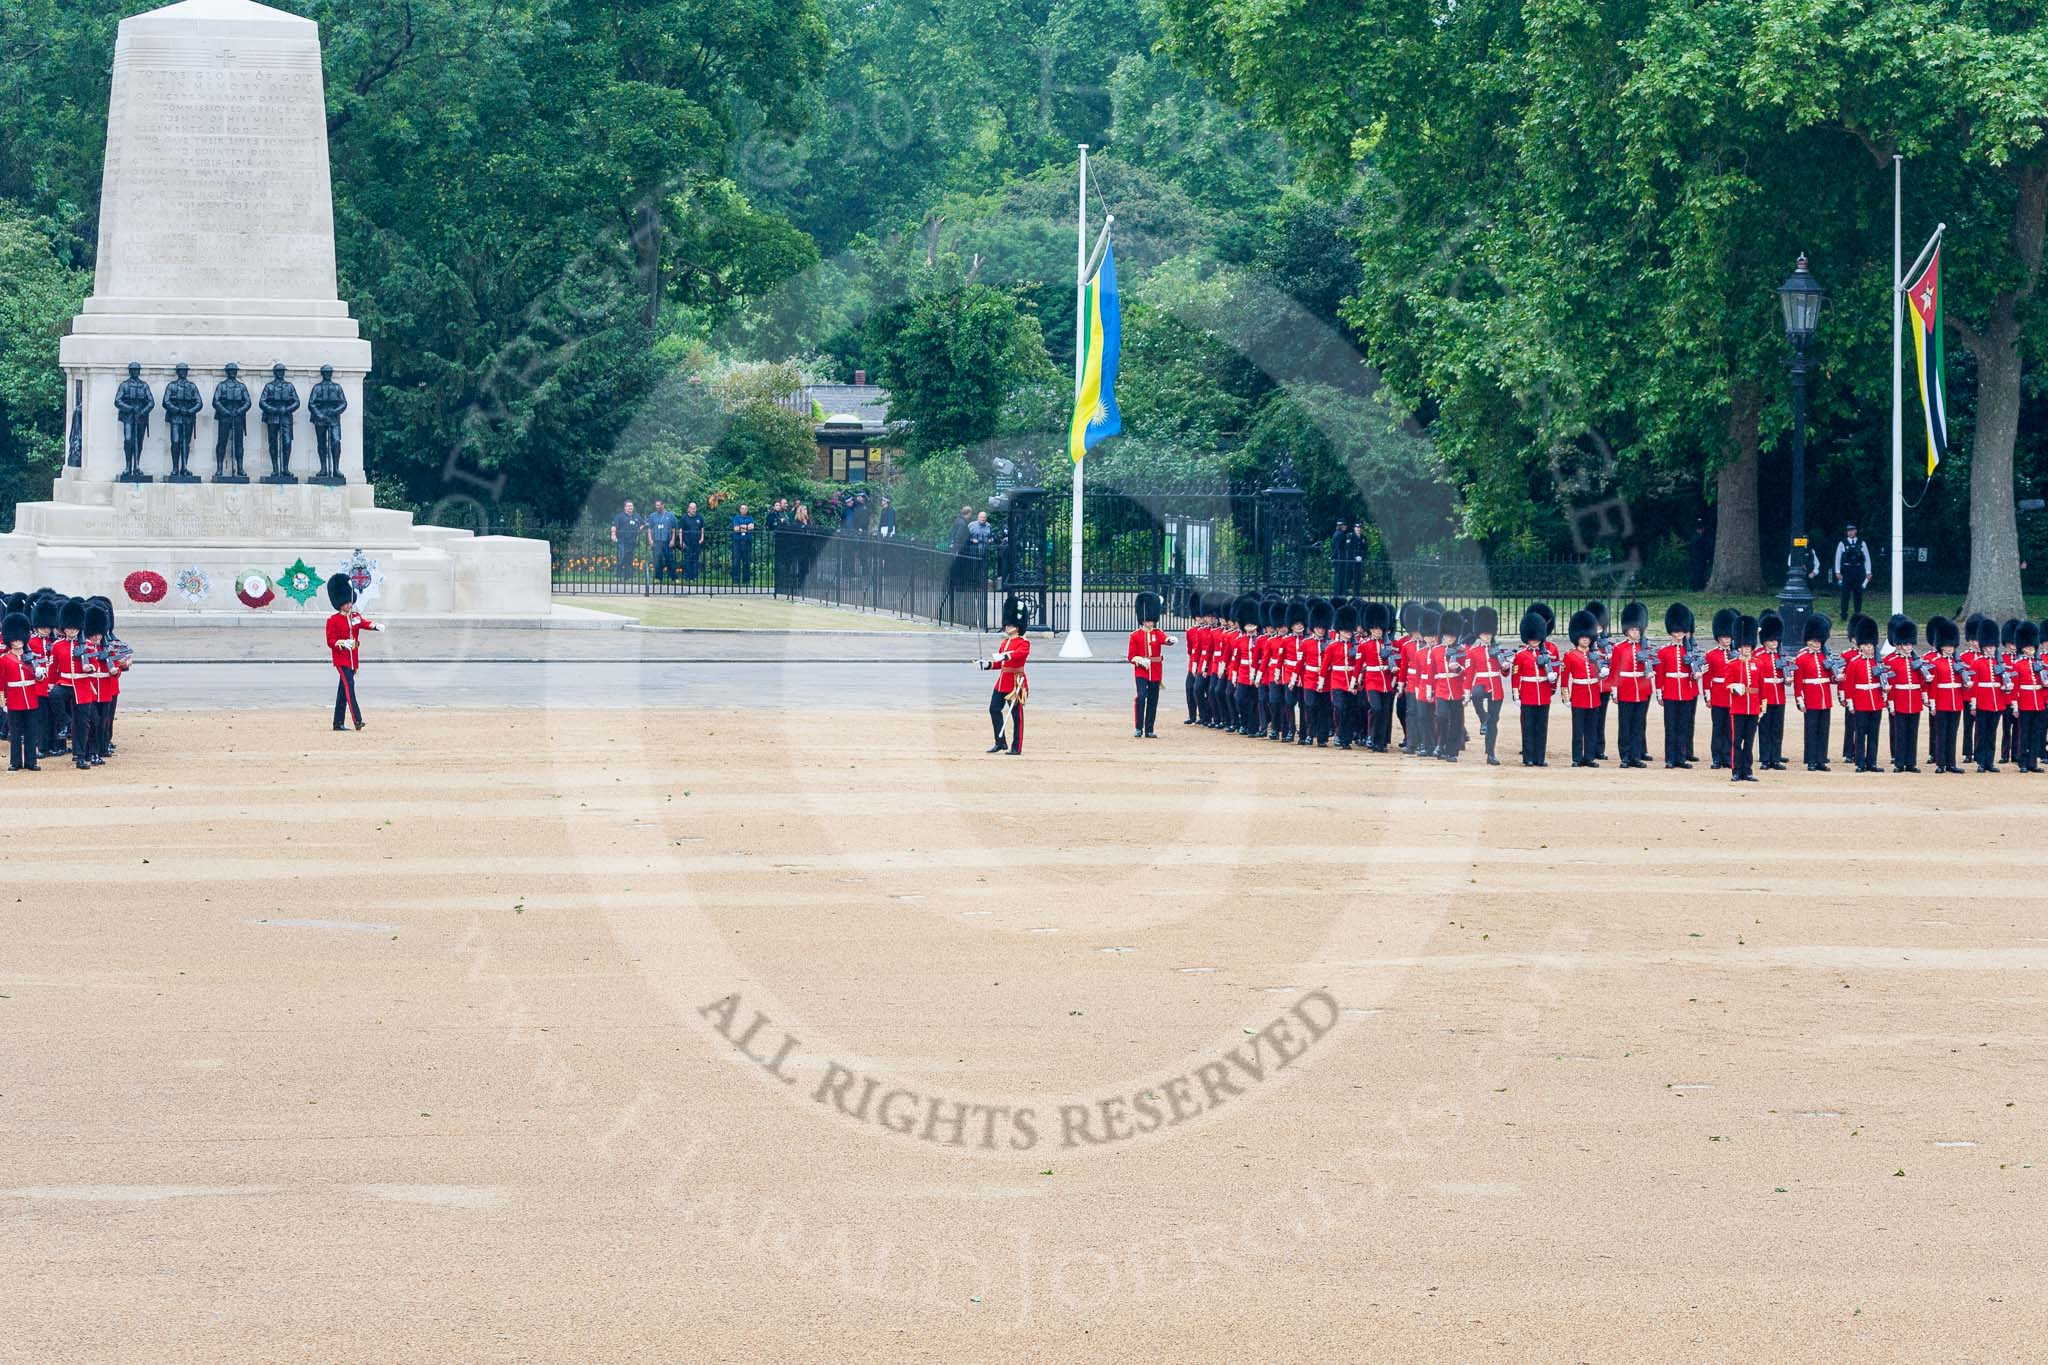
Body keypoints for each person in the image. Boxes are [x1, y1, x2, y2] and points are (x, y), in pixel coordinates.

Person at [326, 572, 380, 732]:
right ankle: (357, 720)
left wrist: (376, 626)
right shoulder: (333, 620)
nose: (349, 605)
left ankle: (338, 723)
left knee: (343, 692)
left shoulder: (354, 616)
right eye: (346, 603)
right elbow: (330, 641)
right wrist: (343, 643)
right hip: (341, 659)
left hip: (352, 660)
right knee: (350, 687)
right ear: (339, 603)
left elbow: (363, 624)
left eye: (350, 602)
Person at [980, 596, 1030, 754]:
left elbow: (1018, 655)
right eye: (1007, 623)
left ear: (1018, 625)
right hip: (1002, 682)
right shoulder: (1005, 643)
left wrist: (1005, 656)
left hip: (1016, 683)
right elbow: (1000, 664)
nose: (1007, 626)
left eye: (1010, 623)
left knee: (1017, 716)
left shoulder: (1023, 643)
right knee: (994, 709)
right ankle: (1000, 742)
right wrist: (987, 665)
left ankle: (1017, 747)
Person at [1608, 602, 1653, 768]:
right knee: (1625, 724)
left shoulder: (1646, 647)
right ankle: (1625, 756)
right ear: (1626, 631)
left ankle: (1635, 756)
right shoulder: (1619, 648)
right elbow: (1614, 671)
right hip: (1625, 689)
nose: (1636, 632)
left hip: (1641, 688)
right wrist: (1614, 692)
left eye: (1638, 629)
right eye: (1633, 629)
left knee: (1638, 725)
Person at [1790, 615, 1837, 771]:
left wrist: (1837, 675)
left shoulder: (1825, 655)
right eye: (1814, 641)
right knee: (1811, 730)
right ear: (1808, 640)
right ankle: (1810, 759)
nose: (1817, 644)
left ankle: (1821, 759)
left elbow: (1830, 678)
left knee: (1823, 730)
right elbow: (1798, 682)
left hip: (1825, 698)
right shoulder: (1801, 658)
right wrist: (1800, 700)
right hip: (1810, 698)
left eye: (1819, 641)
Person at [1840, 615, 1886, 772]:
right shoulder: (1854, 663)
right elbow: (1849, 685)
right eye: (1865, 645)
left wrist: (1885, 692)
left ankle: (1871, 762)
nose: (1869, 648)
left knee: (1873, 734)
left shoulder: (1878, 662)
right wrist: (1851, 703)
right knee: (1860, 734)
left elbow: (1883, 682)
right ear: (1860, 646)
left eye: (1871, 645)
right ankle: (1860, 762)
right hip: (1860, 702)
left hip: (1876, 702)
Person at [1510, 609, 1556, 766]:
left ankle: (1539, 758)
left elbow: (1553, 673)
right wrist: (1516, 695)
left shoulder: (1547, 654)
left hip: (1543, 693)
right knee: (1528, 727)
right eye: (1532, 638)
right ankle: (1528, 757)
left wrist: (1552, 681)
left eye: (1537, 637)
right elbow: (1515, 676)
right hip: (1528, 694)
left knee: (1541, 728)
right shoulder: (1521, 655)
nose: (1535, 640)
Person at [1655, 603, 1699, 769]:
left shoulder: (1690, 651)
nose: (1679, 633)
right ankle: (1670, 758)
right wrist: (1659, 693)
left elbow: (1694, 673)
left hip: (1686, 692)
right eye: (1676, 631)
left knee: (1683, 726)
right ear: (1671, 631)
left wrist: (1697, 675)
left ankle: (1681, 758)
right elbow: (1660, 674)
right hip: (1671, 692)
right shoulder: (1664, 651)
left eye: (1681, 631)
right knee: (1671, 726)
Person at [1882, 615, 1926, 774]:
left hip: (1914, 700)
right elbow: (1890, 684)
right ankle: (1899, 762)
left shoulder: (1916, 661)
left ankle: (1911, 762)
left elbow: (1921, 682)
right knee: (1900, 732)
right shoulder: (1890, 660)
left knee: (1912, 732)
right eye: (1906, 644)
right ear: (1899, 645)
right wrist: (1891, 703)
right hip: (1899, 700)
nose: (1909, 647)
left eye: (1910, 644)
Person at [1923, 616, 1968, 773]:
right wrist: (1933, 703)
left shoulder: (1958, 662)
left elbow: (1962, 684)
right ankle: (1941, 763)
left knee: (1952, 733)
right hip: (1942, 701)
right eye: (1947, 645)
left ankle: (1951, 763)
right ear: (1941, 646)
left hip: (1956, 701)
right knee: (1941, 733)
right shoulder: (1936, 662)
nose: (1950, 648)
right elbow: (1933, 686)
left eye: (1952, 645)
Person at [1127, 593, 1174, 738]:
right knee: (1141, 697)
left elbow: (1165, 640)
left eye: (1152, 621)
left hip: (1155, 671)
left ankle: (1149, 729)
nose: (1150, 623)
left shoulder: (1157, 633)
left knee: (1153, 700)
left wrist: (1171, 640)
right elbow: (1131, 656)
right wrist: (1140, 660)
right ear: (1142, 621)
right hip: (1141, 671)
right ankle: (1138, 728)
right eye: (1148, 621)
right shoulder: (1135, 635)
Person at [1560, 610, 1604, 766]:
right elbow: (1564, 679)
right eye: (1582, 637)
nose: (1585, 639)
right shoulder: (1570, 656)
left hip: (1593, 695)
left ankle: (1589, 757)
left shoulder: (1596, 655)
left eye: (1587, 637)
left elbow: (1602, 675)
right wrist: (1566, 697)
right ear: (1577, 637)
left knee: (1592, 730)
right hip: (1578, 696)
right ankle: (1577, 758)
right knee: (1578, 730)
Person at [1966, 616, 2008, 772]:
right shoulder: (1977, 662)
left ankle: (1989, 762)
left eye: (1993, 647)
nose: (1991, 649)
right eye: (1988, 647)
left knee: (1991, 733)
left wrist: (2006, 687)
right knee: (1982, 733)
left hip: (1997, 701)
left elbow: (2003, 682)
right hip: (1983, 702)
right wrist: (1974, 703)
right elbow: (1974, 685)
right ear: (1983, 647)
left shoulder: (1999, 662)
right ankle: (1981, 761)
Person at [1726, 615, 1764, 782]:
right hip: (1739, 706)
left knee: (1749, 741)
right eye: (1744, 646)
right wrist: (1735, 687)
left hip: (1753, 707)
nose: (1747, 649)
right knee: (1736, 741)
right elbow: (1726, 683)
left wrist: (1763, 706)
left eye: (1749, 646)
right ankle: (1736, 770)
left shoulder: (1758, 663)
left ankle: (1747, 770)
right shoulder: (1733, 664)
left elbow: (1762, 687)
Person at [1, 610, 40, 771]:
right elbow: (1, 683)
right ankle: (15, 762)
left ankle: (31, 761)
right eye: (14, 638)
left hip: (30, 698)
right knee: (15, 733)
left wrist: (39, 673)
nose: (17, 641)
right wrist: (3, 702)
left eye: (20, 637)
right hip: (14, 700)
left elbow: (40, 679)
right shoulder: (4, 659)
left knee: (31, 732)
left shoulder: (31, 658)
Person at [1756, 612, 1790, 770]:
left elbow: (1789, 673)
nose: (1774, 642)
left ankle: (1775, 758)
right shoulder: (1758, 655)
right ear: (1764, 641)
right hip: (1764, 697)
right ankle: (1764, 759)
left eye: (1776, 639)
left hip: (1779, 696)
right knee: (1764, 728)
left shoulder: (1782, 655)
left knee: (1777, 728)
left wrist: (1789, 679)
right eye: (1771, 640)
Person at [2010, 622, 2045, 773]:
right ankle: (2023, 761)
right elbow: (2015, 687)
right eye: (2028, 647)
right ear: (2022, 648)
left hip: (2039, 703)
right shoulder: (2017, 665)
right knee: (2024, 733)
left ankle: (2033, 762)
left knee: (2036, 733)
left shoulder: (2040, 664)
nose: (2031, 650)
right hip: (2025, 702)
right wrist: (2015, 706)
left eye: (2032, 647)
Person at [1704, 608, 1737, 769]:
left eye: (1729, 636)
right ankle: (1716, 757)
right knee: (1718, 728)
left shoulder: (1737, 654)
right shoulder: (1711, 655)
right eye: (1725, 637)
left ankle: (1728, 757)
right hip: (1718, 695)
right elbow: (1707, 678)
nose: (1727, 640)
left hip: (1733, 695)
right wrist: (1707, 696)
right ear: (1718, 638)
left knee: (1731, 729)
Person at [1327, 603, 1359, 748]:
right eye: (1345, 630)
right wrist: (1322, 682)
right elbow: (1325, 666)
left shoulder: (1356, 646)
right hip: (1337, 681)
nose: (1348, 633)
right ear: (1340, 630)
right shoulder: (1332, 646)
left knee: (1350, 711)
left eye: (1350, 630)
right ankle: (1339, 733)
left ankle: (1346, 738)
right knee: (1339, 708)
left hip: (1352, 682)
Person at [1833, 523, 1872, 622]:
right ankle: (1843, 615)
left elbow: (1867, 558)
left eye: (1852, 530)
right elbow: (1837, 558)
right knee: (1845, 594)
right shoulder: (1842, 543)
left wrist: (1868, 571)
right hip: (1847, 570)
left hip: (1858, 570)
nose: (1850, 532)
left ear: (1856, 531)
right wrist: (1837, 572)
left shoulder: (1862, 543)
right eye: (1848, 530)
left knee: (1858, 594)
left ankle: (1857, 614)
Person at [645, 499, 678, 583]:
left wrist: (673, 540)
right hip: (657, 541)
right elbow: (649, 529)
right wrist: (650, 539)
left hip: (667, 540)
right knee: (657, 560)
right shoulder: (652, 516)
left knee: (669, 559)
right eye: (656, 505)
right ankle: (658, 578)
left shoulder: (670, 515)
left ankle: (674, 578)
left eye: (659, 505)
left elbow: (674, 529)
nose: (657, 507)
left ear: (663, 505)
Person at [610, 500, 642, 580]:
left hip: (632, 542)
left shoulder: (637, 516)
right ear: (625, 507)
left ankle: (628, 577)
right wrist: (613, 535)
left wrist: (639, 529)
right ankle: (618, 576)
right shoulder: (620, 516)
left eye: (631, 506)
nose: (631, 507)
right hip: (622, 541)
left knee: (629, 559)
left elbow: (643, 524)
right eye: (629, 506)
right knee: (621, 557)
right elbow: (614, 526)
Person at [678, 501, 706, 581]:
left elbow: (702, 529)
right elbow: (680, 530)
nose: (694, 510)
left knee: (695, 559)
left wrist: (702, 538)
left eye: (695, 508)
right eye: (692, 508)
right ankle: (687, 576)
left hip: (696, 542)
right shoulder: (684, 518)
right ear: (688, 509)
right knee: (687, 559)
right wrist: (681, 541)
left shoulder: (699, 517)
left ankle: (694, 577)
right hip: (687, 542)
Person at [730, 504, 757, 584]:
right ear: (740, 510)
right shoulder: (736, 518)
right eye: (742, 508)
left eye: (746, 508)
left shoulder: (750, 518)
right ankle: (736, 581)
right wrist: (746, 527)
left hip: (747, 542)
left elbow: (752, 527)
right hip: (737, 542)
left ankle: (746, 581)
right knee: (736, 561)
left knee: (747, 562)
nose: (744, 510)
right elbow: (736, 529)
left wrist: (742, 527)